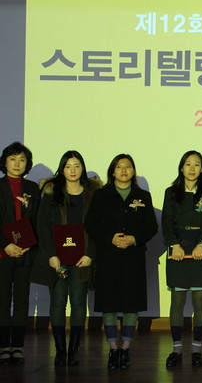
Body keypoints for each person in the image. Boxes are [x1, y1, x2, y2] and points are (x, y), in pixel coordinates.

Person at [84, 154, 157, 370]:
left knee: (131, 304)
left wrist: (135, 239)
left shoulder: (142, 196)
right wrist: (110, 238)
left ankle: (125, 348)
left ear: (133, 171)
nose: (124, 170)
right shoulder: (101, 195)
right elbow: (91, 224)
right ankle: (113, 348)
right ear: (112, 171)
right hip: (108, 256)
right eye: (119, 166)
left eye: (128, 166)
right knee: (108, 304)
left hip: (133, 257)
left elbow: (151, 227)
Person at [32, 151, 102, 366]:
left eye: (77, 165)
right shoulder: (52, 194)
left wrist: (90, 254)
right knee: (58, 303)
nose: (73, 170)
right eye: (68, 166)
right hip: (57, 260)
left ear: (83, 168)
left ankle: (74, 350)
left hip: (82, 259)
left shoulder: (93, 195)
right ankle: (60, 350)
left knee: (79, 304)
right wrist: (51, 256)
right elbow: (42, 227)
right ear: (62, 169)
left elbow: (99, 227)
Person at [162, 150, 202, 368]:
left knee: (200, 301)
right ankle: (176, 350)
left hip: (200, 252)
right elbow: (166, 221)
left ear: (201, 169)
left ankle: (196, 350)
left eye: (196, 164)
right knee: (177, 301)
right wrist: (174, 245)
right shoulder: (171, 192)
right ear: (181, 168)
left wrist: (200, 244)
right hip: (178, 250)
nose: (192, 168)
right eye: (188, 164)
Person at [0, 142, 40, 365]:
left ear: (27, 164)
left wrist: (28, 244)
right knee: (3, 301)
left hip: (25, 251)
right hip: (2, 252)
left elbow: (37, 220)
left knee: (22, 301)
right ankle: (3, 346)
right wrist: (5, 245)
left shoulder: (33, 189)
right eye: (13, 159)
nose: (17, 163)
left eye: (22, 159)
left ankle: (18, 346)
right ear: (5, 162)